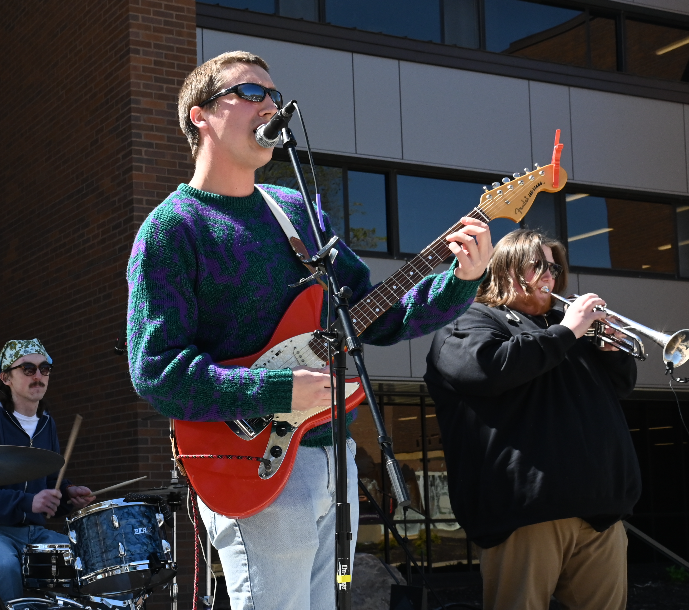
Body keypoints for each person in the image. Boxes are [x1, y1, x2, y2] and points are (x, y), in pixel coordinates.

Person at [126, 50, 494, 610]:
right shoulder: (173, 229)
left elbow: (375, 314)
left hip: (333, 456)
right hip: (251, 463)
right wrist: (277, 391)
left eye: (274, 96)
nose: (271, 105)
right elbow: (155, 371)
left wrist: (459, 281)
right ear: (200, 116)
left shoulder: (295, 211)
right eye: (250, 93)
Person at [423, 229, 639, 610]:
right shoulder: (469, 320)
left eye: (554, 268)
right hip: (525, 516)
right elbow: (489, 369)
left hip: (601, 515)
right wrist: (569, 330)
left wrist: (610, 350)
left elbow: (621, 386)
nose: (550, 276)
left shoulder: (570, 331)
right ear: (506, 269)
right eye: (538, 265)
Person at [0, 339, 96, 603]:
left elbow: (51, 482)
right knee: (4, 567)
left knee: (84, 559)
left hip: (32, 532)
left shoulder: (46, 424)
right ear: (6, 377)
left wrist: (67, 493)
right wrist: (28, 502)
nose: (39, 376)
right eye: (28, 369)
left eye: (45, 369)